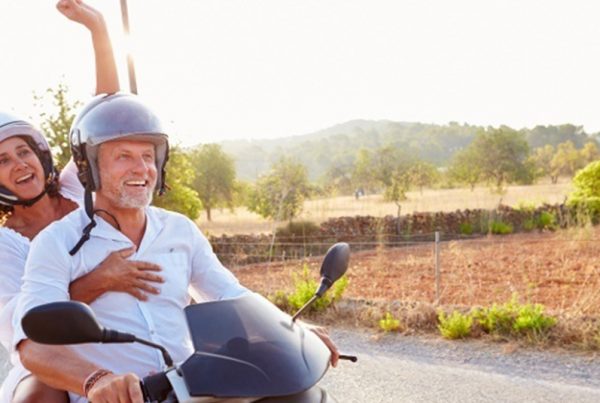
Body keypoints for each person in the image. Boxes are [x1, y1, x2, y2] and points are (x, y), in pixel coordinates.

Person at [13, 92, 339, 403]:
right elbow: (31, 344)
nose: (141, 169)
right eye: (123, 156)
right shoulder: (57, 243)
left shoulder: (179, 229)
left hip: (196, 390)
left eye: (147, 156)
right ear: (90, 168)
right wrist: (96, 379)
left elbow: (228, 293)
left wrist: (292, 328)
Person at [0, 2, 164, 402]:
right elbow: (27, 327)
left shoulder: (79, 187)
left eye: (23, 151)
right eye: (2, 161)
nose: (19, 165)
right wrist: (99, 280)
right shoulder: (4, 246)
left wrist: (98, 29)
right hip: (53, 361)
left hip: (126, 334)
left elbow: (106, 111)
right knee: (40, 394)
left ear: (40, 154)